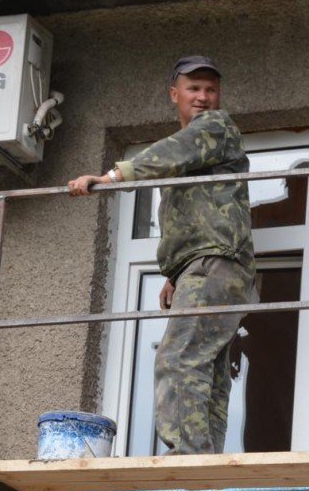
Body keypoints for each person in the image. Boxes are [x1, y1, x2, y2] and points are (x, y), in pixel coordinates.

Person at [68, 56, 256, 456]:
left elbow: (172, 151)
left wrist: (111, 177)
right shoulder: (193, 154)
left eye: (210, 89)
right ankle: (205, 459)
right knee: (207, 367)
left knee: (178, 358)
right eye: (194, 88)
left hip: (216, 262)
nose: (203, 97)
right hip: (211, 265)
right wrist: (176, 273)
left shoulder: (215, 127)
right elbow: (191, 217)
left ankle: (189, 455)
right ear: (174, 94)